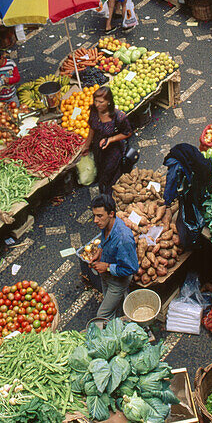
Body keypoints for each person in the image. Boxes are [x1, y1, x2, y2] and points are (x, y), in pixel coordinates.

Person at [89, 193, 139, 321]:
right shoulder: (106, 226)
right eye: (94, 215)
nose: (95, 220)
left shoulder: (123, 238)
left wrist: (106, 266)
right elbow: (105, 241)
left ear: (111, 214)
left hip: (118, 281)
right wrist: (100, 250)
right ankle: (117, 320)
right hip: (106, 276)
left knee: (102, 315)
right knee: (111, 304)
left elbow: (131, 269)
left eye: (99, 216)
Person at [81, 86, 134, 197]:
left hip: (113, 152)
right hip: (98, 150)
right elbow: (92, 129)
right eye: (95, 101)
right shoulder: (94, 111)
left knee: (109, 174)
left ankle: (109, 197)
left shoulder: (119, 117)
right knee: (101, 171)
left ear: (109, 102)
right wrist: (86, 146)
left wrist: (110, 139)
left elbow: (127, 133)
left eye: (101, 102)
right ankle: (104, 192)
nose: (97, 104)